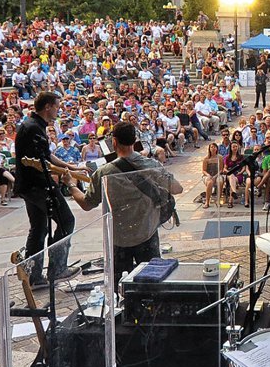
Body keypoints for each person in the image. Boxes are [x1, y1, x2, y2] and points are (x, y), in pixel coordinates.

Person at [61, 121, 183, 278]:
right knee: (151, 281)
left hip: (119, 237)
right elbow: (177, 188)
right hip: (147, 233)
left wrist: (71, 184)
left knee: (118, 285)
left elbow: (86, 204)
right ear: (135, 141)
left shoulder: (104, 172)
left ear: (114, 142)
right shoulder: (150, 165)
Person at [15, 91, 85, 285]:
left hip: (30, 185)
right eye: (56, 106)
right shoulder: (32, 128)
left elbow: (47, 155)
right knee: (66, 220)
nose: (58, 110)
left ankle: (34, 276)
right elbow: (40, 162)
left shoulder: (35, 125)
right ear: (47, 107)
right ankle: (58, 269)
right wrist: (67, 174)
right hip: (38, 185)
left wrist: (70, 167)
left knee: (39, 229)